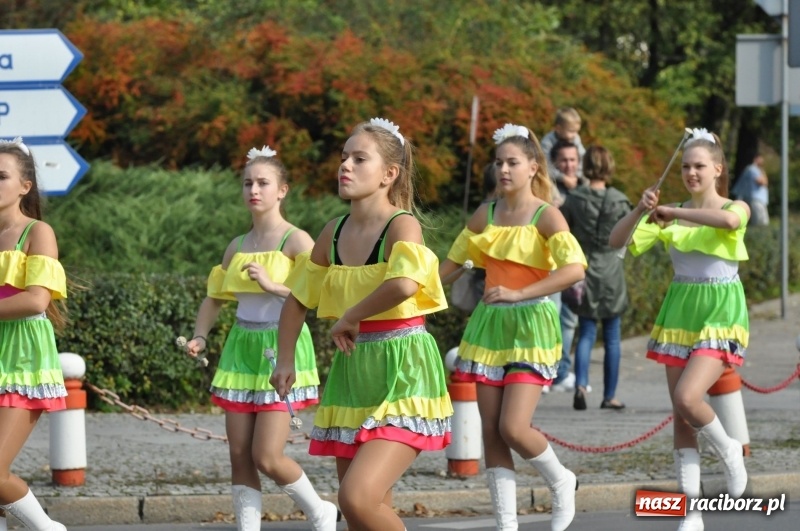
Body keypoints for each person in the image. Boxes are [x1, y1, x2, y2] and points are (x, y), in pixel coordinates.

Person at [271, 118, 453, 531]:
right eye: (343, 158)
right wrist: (285, 360)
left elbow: (405, 283)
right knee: (362, 514)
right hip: (354, 371)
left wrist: (352, 315)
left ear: (389, 174)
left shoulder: (401, 225)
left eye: (359, 158)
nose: (345, 166)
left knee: (355, 497)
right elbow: (297, 299)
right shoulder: (331, 232)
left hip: (404, 370)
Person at [440, 123, 587, 531]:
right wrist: (409, 290)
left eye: (513, 162)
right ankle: (507, 524)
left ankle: (561, 479)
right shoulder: (484, 214)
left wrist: (520, 294)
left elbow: (574, 269)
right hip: (489, 327)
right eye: (499, 162)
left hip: (532, 324)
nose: (503, 169)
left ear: (532, 167)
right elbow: (449, 268)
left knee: (512, 426)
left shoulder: (547, 214)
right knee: (491, 432)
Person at [185, 146, 337, 531]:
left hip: (280, 347)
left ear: (282, 190)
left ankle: (320, 510)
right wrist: (200, 336)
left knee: (267, 455)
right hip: (241, 348)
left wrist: (272, 285)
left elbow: (320, 297)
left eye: (263, 183)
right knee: (239, 454)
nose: (254, 189)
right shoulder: (236, 245)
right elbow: (214, 298)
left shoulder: (296, 240)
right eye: (248, 183)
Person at [609, 128, 750, 531]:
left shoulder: (736, 205)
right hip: (680, 309)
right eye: (686, 166)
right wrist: (640, 209)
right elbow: (616, 241)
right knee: (682, 417)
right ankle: (692, 512)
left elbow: (725, 221)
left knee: (690, 397)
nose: (691, 172)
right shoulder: (666, 210)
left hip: (721, 309)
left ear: (717, 169)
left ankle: (729, 450)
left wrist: (676, 213)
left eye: (699, 166)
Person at [0, 137, 69, 531]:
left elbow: (36, 301)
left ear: (25, 186)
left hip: (23, 358)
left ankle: (48, 529)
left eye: (1, 176)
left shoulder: (38, 232)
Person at [561, 146, 631, 411]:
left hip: (585, 269)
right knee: (612, 335)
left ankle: (581, 385)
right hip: (612, 270)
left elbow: (563, 233)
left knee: (586, 331)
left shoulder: (574, 199)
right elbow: (629, 236)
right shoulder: (620, 200)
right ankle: (609, 395)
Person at [548, 140, 588, 394]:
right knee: (552, 314)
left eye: (573, 160)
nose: (569, 165)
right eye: (563, 160)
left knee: (570, 319)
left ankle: (562, 370)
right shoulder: (546, 188)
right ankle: (551, 371)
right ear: (555, 163)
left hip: (577, 262)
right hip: (552, 262)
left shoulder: (586, 187)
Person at [539, 107, 587, 206]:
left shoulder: (575, 139)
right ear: (558, 129)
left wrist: (576, 176)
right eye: (571, 131)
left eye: (576, 131)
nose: (575, 135)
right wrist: (563, 178)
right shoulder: (547, 142)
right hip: (554, 176)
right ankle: (558, 205)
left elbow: (583, 158)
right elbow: (545, 166)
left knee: (588, 179)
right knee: (548, 184)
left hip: (573, 174)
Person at [732, 154, 769, 227]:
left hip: (756, 199)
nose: (762, 161)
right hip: (756, 199)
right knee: (761, 222)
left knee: (760, 221)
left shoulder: (755, 169)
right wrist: (763, 172)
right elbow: (762, 182)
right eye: (761, 159)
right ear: (756, 159)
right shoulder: (752, 169)